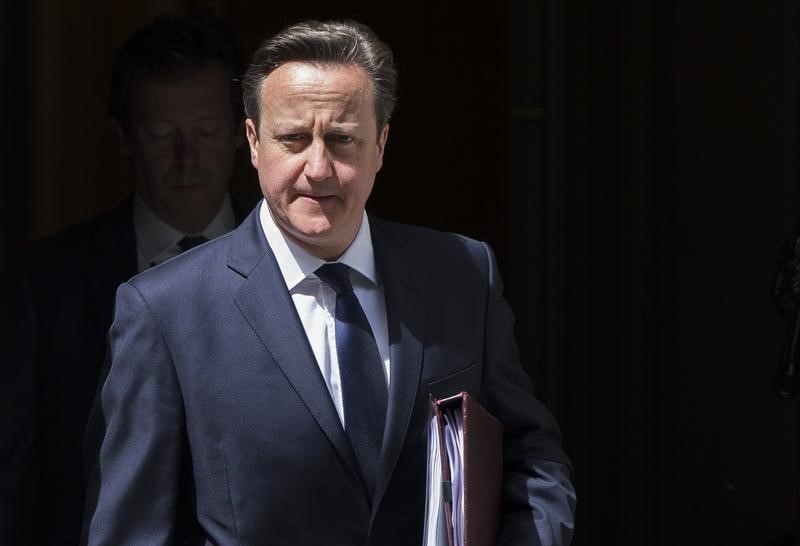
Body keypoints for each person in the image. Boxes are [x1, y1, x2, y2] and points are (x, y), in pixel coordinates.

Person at [81, 19, 577, 545]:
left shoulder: (459, 272)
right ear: (252, 142)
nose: (317, 168)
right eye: (293, 138)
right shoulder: (166, 311)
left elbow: (531, 459)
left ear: (380, 145)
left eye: (341, 139)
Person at [0, 12, 246, 545]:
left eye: (206, 131)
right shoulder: (44, 284)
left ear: (241, 133)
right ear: (124, 137)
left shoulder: (301, 262)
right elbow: (14, 472)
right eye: (162, 135)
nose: (187, 159)